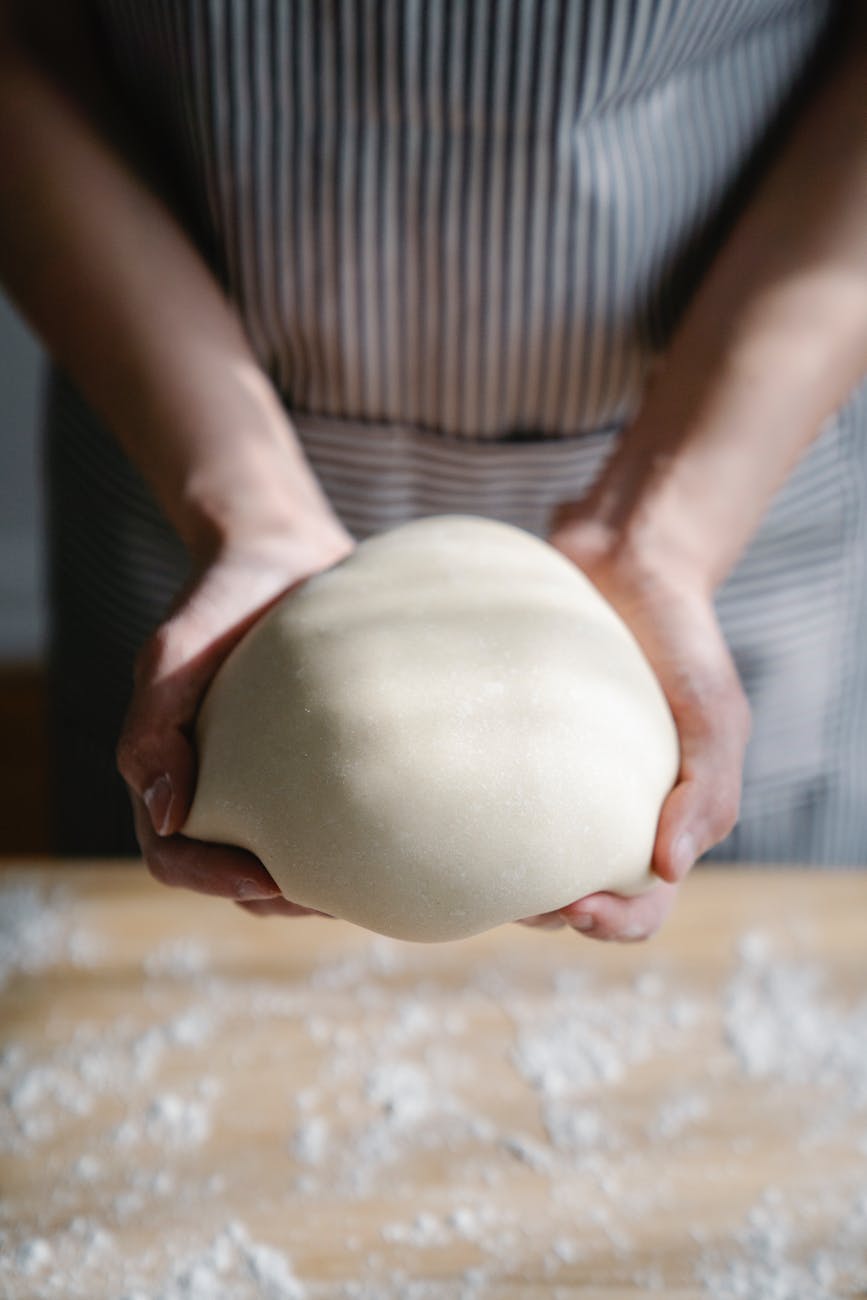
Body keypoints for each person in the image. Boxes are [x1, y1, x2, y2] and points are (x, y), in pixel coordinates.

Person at [1, 1, 865, 943]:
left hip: (731, 449)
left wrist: (666, 537)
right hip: (172, 424)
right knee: (153, 932)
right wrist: (246, 512)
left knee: (743, 964)